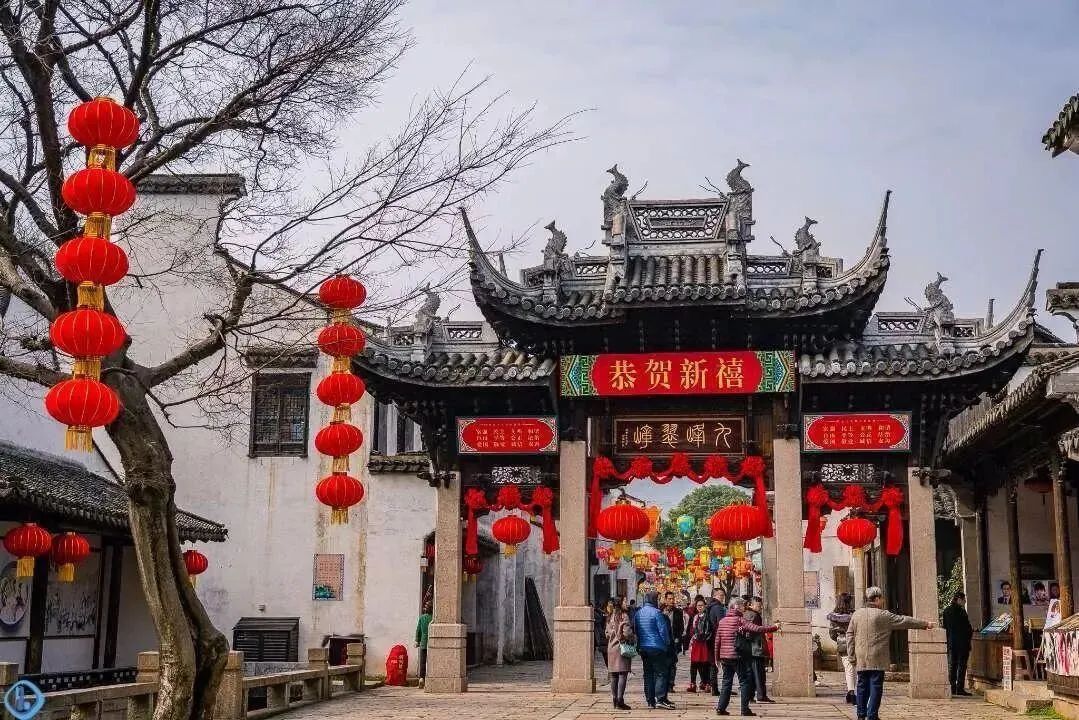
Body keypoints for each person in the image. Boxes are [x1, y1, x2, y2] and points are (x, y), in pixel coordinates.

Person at [846, 586, 934, 720]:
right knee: (876, 686)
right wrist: (925, 624)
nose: (883, 600)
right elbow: (904, 620)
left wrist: (851, 655)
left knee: (862, 686)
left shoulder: (856, 614)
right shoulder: (883, 615)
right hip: (877, 658)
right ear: (876, 599)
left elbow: (849, 635)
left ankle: (861, 715)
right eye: (881, 598)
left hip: (861, 656)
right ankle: (872, 715)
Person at [714, 596, 779, 717]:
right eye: (742, 606)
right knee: (744, 681)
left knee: (726, 682)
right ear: (736, 607)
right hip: (738, 656)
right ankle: (744, 709)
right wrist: (774, 628)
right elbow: (757, 628)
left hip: (725, 657)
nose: (744, 608)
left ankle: (720, 708)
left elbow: (717, 641)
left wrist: (717, 658)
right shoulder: (740, 620)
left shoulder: (722, 621)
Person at [633, 591, 675, 710]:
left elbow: (636, 630)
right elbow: (663, 631)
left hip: (643, 647)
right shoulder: (657, 613)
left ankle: (650, 700)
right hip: (657, 647)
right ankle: (660, 698)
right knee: (661, 672)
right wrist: (667, 643)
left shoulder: (638, 613)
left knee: (648, 674)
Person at [605, 595, 636, 710]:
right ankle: (620, 700)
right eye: (624, 601)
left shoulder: (610, 616)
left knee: (614, 675)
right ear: (620, 603)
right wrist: (632, 637)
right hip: (621, 648)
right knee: (623, 673)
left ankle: (614, 700)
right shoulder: (624, 616)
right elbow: (627, 633)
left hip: (611, 648)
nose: (626, 603)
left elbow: (606, 633)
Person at [743, 596, 775, 704]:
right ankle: (761, 695)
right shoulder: (754, 615)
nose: (760, 608)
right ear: (751, 605)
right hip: (756, 648)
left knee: (751, 674)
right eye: (758, 606)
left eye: (760, 606)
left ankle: (750, 696)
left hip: (750, 649)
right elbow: (752, 631)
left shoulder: (747, 614)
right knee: (759, 674)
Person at [942, 591, 973, 696]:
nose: (965, 602)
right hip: (962, 643)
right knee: (962, 665)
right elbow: (967, 628)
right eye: (964, 600)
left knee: (952, 665)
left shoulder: (946, 611)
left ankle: (952, 687)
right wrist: (969, 636)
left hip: (951, 642)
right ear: (959, 599)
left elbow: (945, 627)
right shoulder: (961, 611)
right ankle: (960, 688)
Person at [827, 592, 856, 705]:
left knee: (848, 668)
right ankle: (853, 691)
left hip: (843, 643)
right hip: (855, 642)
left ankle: (851, 691)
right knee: (854, 668)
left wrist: (839, 638)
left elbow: (832, 634)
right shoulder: (854, 615)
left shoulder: (834, 617)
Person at [686, 597, 714, 692]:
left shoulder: (708, 617)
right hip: (696, 642)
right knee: (694, 662)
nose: (700, 607)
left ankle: (706, 682)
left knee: (705, 663)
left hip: (704, 642)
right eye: (698, 606)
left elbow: (709, 630)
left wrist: (704, 637)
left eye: (701, 605)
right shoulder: (695, 617)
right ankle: (693, 683)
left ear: (705, 606)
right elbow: (691, 629)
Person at [707, 587, 728, 697]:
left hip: (710, 637)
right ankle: (721, 688)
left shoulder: (709, 606)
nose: (722, 597)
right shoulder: (718, 608)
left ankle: (713, 686)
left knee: (713, 663)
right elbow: (722, 623)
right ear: (714, 595)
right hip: (717, 638)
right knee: (720, 663)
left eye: (723, 595)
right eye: (720, 595)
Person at [662, 591, 685, 694]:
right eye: (669, 599)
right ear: (665, 600)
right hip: (663, 642)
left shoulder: (678, 612)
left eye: (673, 599)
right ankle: (663, 684)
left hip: (674, 641)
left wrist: (678, 638)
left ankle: (670, 684)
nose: (671, 601)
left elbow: (681, 627)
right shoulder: (660, 611)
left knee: (672, 664)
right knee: (663, 664)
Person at [414, 602, 432, 684]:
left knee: (423, 661)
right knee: (432, 661)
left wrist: (417, 641)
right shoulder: (434, 619)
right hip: (432, 642)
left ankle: (422, 678)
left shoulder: (422, 618)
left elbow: (418, 630)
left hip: (424, 642)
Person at [595, 601, 610, 670]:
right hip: (604, 639)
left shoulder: (603, 614)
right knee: (607, 659)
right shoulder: (601, 614)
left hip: (607, 640)